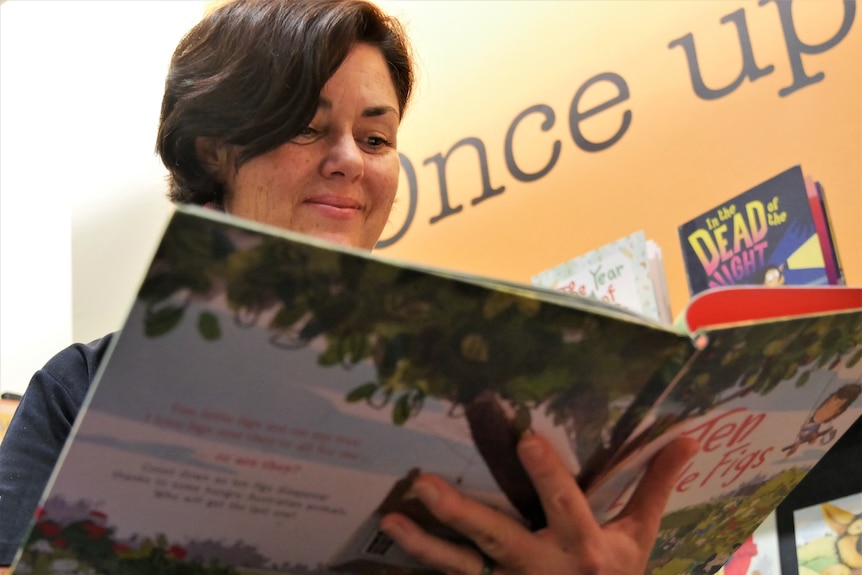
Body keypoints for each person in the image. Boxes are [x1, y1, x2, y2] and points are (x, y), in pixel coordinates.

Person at [0, 1, 698, 574]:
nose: (346, 162)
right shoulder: (78, 391)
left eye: (374, 138)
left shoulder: (495, 398)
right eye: (308, 127)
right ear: (213, 151)